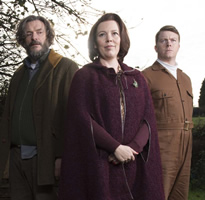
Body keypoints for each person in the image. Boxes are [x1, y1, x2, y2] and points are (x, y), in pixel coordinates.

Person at [58, 13, 165, 200]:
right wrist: (115, 147)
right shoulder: (84, 77)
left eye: (114, 33)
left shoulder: (137, 77)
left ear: (121, 38)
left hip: (134, 163)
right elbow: (81, 119)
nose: (109, 39)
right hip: (100, 163)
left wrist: (131, 148)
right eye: (102, 34)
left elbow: (148, 120)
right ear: (94, 41)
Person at [0, 15, 78, 200]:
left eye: (39, 32)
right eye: (28, 34)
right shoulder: (18, 74)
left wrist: (61, 156)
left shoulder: (65, 67)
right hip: (16, 158)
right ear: (23, 39)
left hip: (46, 158)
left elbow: (72, 117)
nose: (34, 37)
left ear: (48, 36)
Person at [142, 25, 193, 200]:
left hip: (187, 143)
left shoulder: (186, 79)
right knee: (158, 193)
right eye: (164, 40)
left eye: (173, 40)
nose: (169, 44)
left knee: (180, 194)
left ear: (179, 45)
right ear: (156, 47)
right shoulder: (146, 76)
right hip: (162, 145)